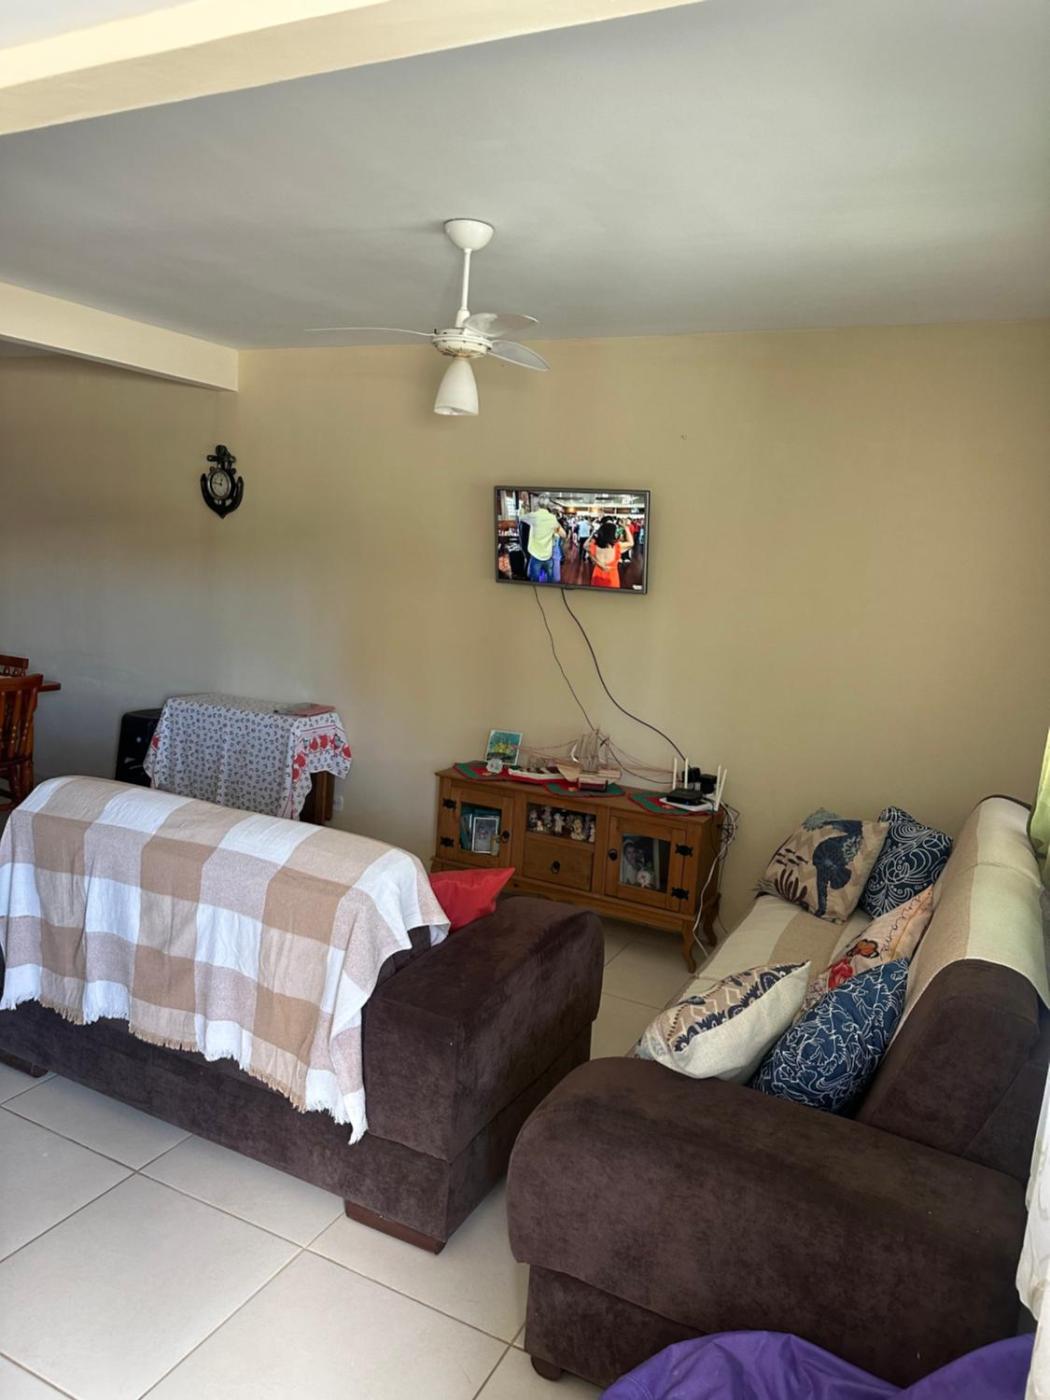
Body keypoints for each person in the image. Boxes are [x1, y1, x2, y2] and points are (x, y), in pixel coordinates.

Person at [520, 496, 566, 585]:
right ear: (548, 505)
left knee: (534, 584)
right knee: (550, 582)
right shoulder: (552, 518)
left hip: (535, 556)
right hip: (548, 556)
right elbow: (563, 534)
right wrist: (555, 527)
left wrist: (523, 506)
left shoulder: (533, 516)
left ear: (538, 504)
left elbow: (521, 517)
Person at [587, 517, 634, 588]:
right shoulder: (617, 546)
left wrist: (592, 535)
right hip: (612, 580)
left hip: (596, 577)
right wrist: (626, 527)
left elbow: (585, 546)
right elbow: (631, 543)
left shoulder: (593, 545)